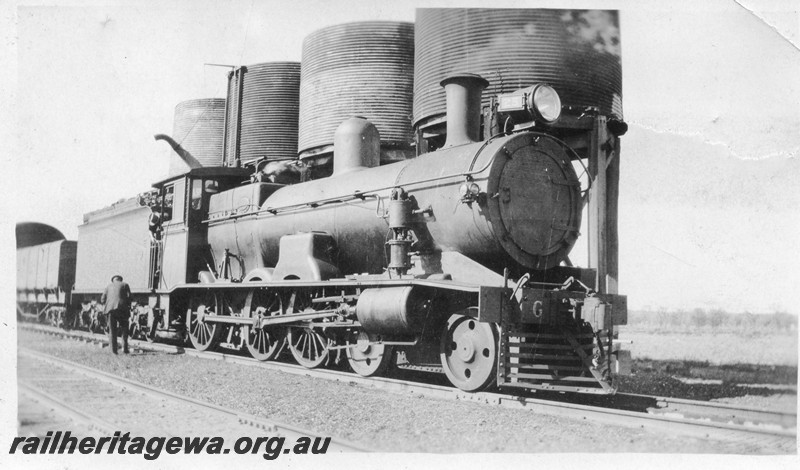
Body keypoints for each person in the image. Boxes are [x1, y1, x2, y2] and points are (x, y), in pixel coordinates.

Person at [101, 275, 132, 354]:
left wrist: (107, 303)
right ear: (120, 280)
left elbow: (102, 299)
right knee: (124, 330)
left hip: (111, 310)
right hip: (123, 309)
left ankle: (113, 351)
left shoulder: (108, 286)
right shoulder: (125, 285)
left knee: (112, 330)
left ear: (113, 280)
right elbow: (130, 297)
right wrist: (127, 305)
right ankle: (125, 349)